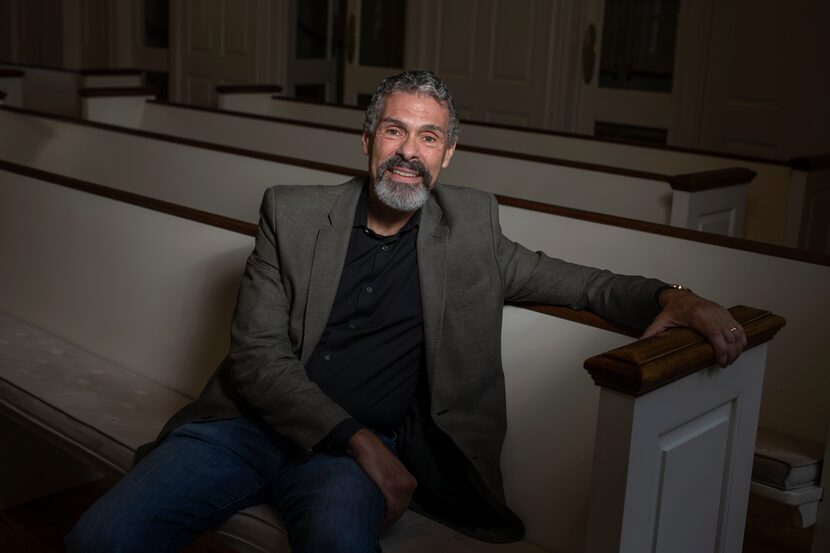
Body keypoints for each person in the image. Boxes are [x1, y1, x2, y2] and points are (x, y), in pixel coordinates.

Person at [67, 70, 746, 552]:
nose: (408, 153)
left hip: (340, 467)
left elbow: (583, 283)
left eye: (428, 139)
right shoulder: (293, 213)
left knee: (339, 541)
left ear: (447, 155)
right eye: (395, 130)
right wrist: (362, 441)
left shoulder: (472, 231)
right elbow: (256, 357)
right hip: (242, 430)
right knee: (103, 536)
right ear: (367, 141)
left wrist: (674, 296)